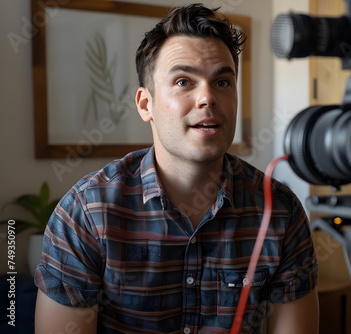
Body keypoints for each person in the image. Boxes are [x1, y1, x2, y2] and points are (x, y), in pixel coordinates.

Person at [34, 4, 319, 334]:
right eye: (184, 81)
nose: (207, 98)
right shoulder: (86, 212)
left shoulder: (279, 212)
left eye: (223, 82)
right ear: (146, 105)